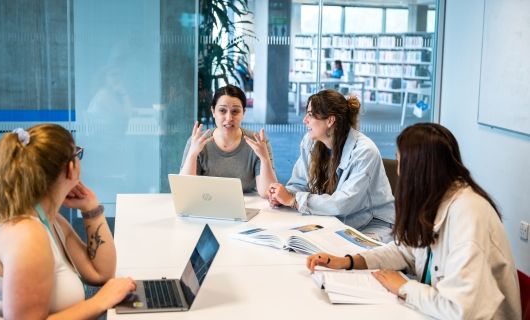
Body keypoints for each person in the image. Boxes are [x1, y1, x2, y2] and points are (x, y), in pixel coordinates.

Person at [306, 123, 521, 319]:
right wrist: (350, 262)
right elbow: (406, 251)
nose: (399, 172)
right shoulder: (436, 198)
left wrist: (404, 287)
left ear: (419, 170)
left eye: (400, 163)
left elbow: (461, 309)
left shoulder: (469, 214)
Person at [0, 124, 136, 318]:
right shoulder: (26, 234)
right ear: (70, 167)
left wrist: (91, 208)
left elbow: (100, 273)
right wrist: (100, 301)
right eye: (78, 153)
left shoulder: (48, 220)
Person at [268, 89, 394, 242]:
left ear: (330, 121)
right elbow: (299, 183)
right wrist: (284, 196)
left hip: (370, 225)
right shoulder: (310, 142)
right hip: (334, 220)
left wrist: (294, 201)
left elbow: (342, 204)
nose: (304, 120)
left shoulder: (365, 152)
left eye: (310, 114)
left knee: (342, 255)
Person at [180, 84, 277, 196]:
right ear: (213, 111)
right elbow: (185, 190)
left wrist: (264, 158)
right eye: (222, 110)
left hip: (248, 205)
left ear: (243, 113)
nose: (229, 118)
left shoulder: (258, 142)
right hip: (207, 204)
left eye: (235, 111)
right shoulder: (197, 141)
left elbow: (267, 193)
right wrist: (193, 154)